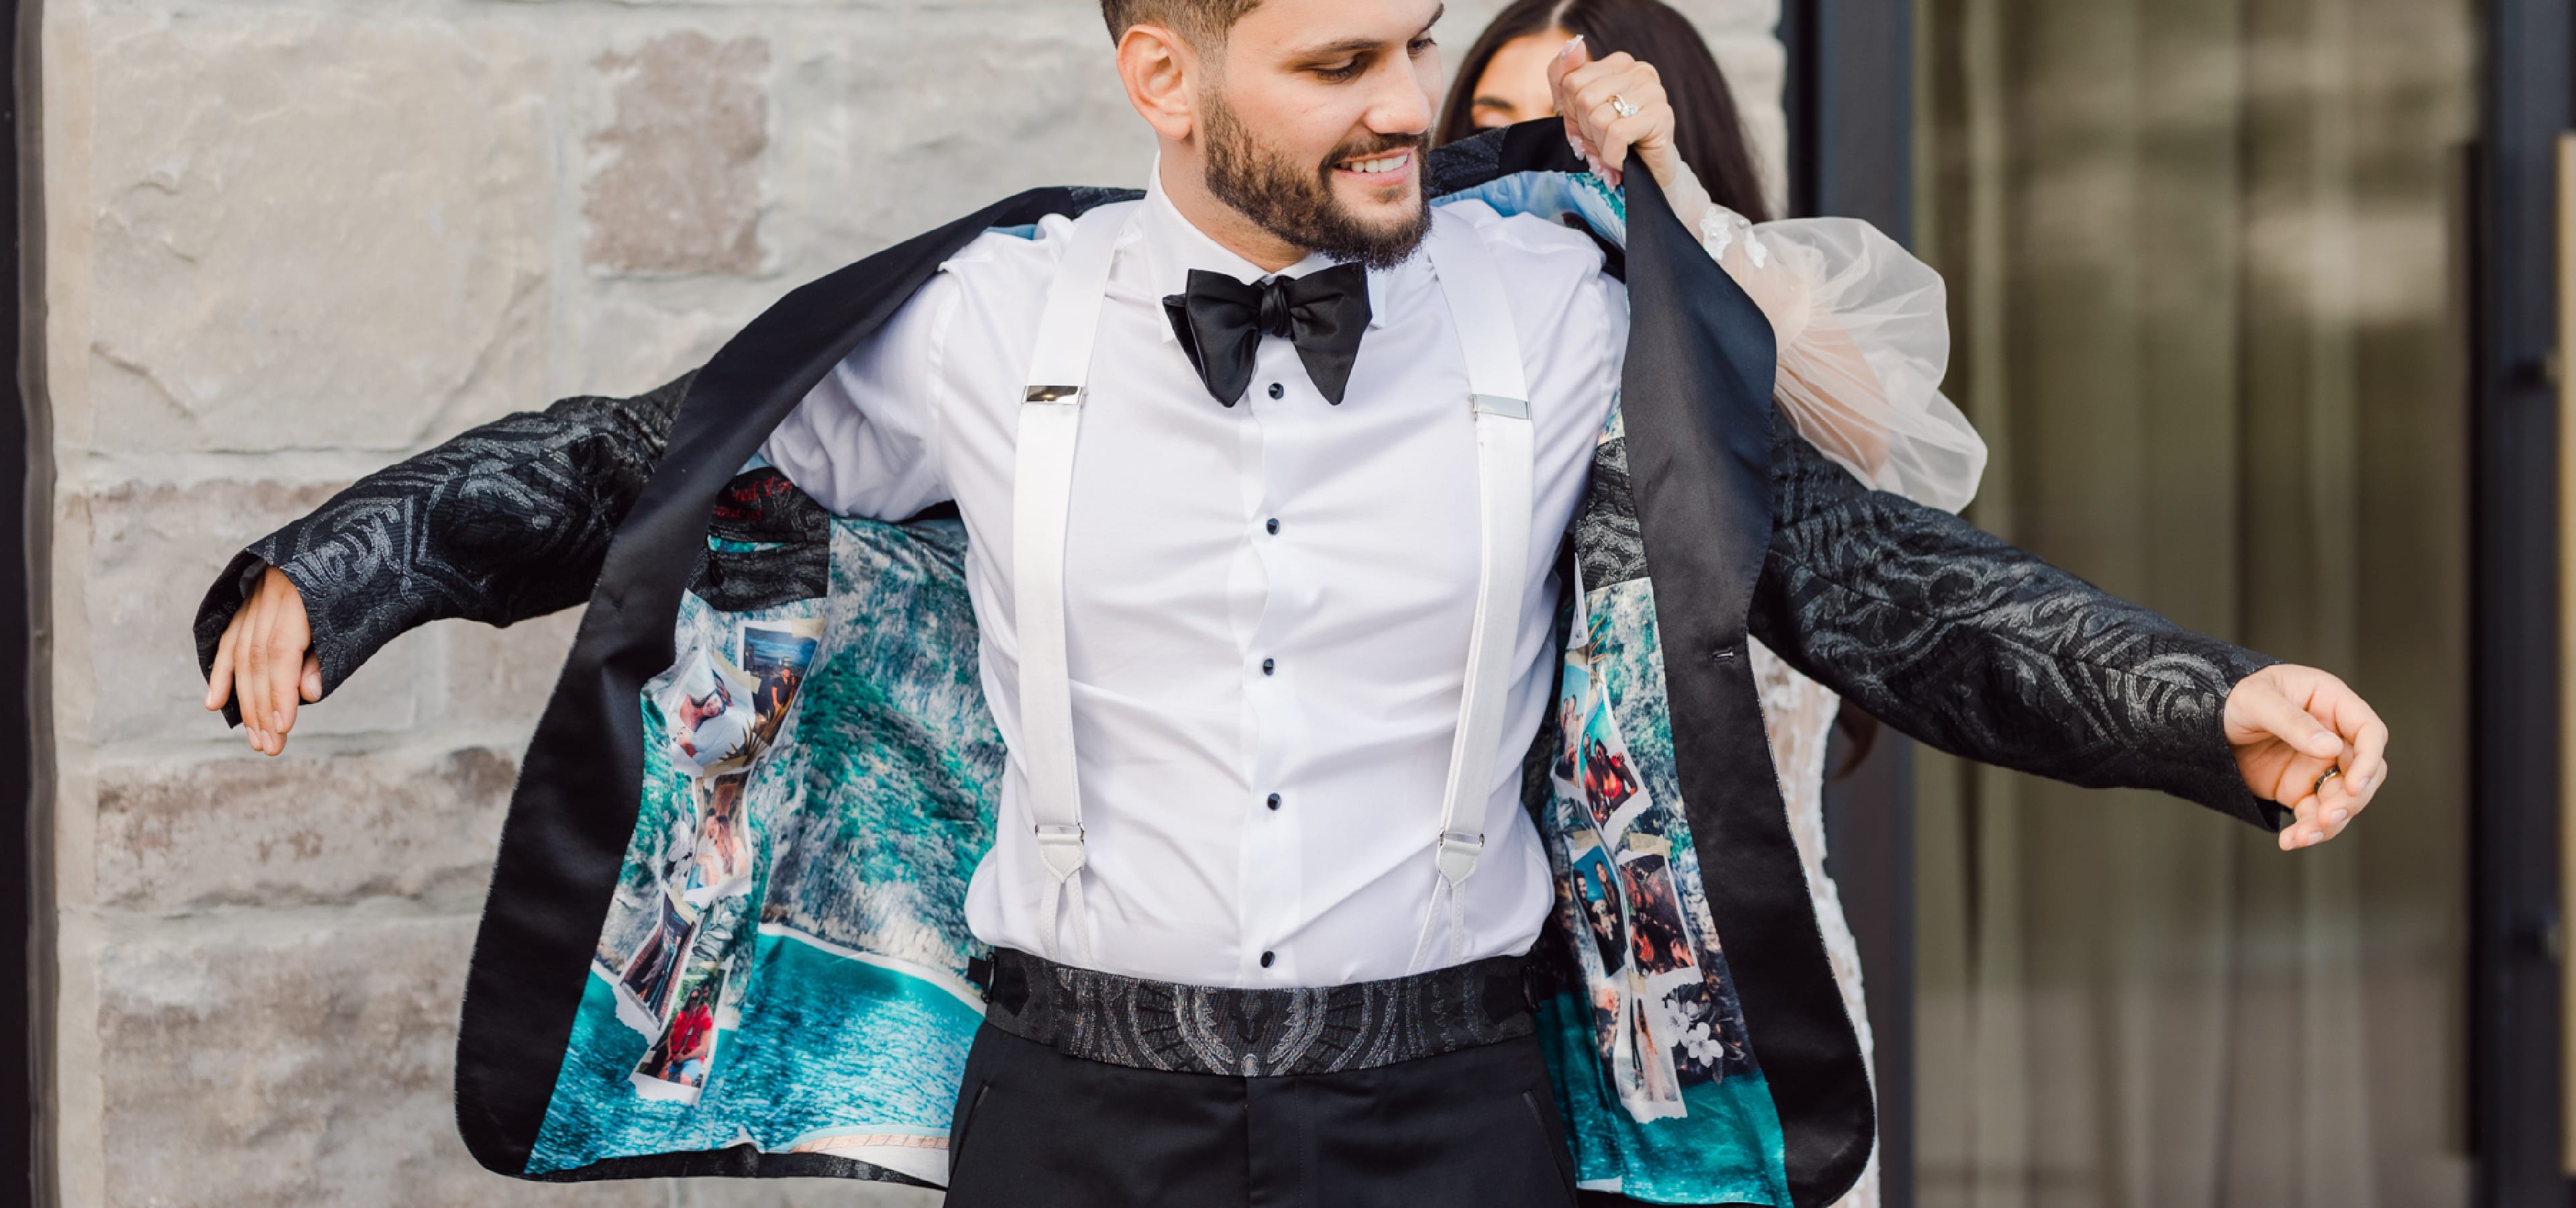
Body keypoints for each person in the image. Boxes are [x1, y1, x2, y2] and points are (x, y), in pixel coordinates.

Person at [193, 2, 2390, 1205]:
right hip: (1075, 1126)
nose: (1400, 111)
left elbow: (1849, 567)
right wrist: (346, 564)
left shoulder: (1555, 304)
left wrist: (2191, 701)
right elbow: (625, 463)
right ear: (1163, 73)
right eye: (1335, 65)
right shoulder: (988, 319)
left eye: (1410, 52)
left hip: (1445, 1124)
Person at [1442, 5, 1985, 1203]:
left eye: (1569, 123)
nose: (1535, 154)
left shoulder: (1758, 322)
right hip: (1493, 1039)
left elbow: (1899, 448)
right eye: (1495, 127)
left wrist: (1666, 192)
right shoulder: (1439, 374)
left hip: (1750, 1029)